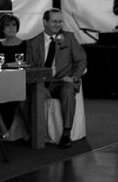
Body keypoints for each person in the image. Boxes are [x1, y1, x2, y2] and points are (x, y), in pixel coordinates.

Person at [26, 9, 88, 149]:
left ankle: (66, 134)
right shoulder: (33, 42)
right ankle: (34, 133)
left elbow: (81, 60)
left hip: (63, 81)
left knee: (67, 91)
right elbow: (29, 68)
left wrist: (74, 77)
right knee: (25, 96)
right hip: (42, 83)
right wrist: (39, 84)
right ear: (45, 22)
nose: (58, 24)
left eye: (60, 21)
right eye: (54, 21)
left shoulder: (69, 37)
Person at [0, 13, 28, 138]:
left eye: (14, 25)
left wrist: (8, 65)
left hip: (21, 80)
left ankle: (26, 131)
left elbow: (28, 63)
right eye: (7, 25)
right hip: (0, 79)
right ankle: (2, 127)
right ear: (2, 28)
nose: (11, 28)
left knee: (12, 92)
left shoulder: (25, 44)